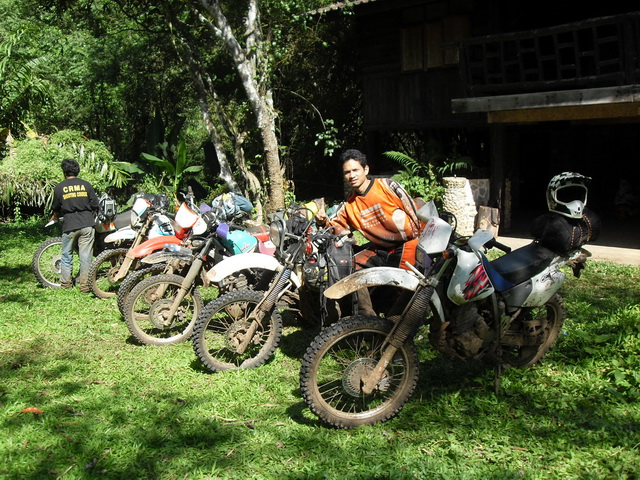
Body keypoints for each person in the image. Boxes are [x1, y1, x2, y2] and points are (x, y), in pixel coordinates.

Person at [315, 148, 424, 314]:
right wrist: (322, 221)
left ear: (366, 170)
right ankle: (367, 318)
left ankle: (399, 321)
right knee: (351, 267)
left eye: (355, 170)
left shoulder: (387, 186)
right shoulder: (348, 205)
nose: (352, 175)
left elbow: (413, 212)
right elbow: (336, 229)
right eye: (347, 172)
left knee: (404, 287)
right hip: (380, 249)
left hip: (408, 243)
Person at [50, 158, 99, 292]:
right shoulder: (86, 185)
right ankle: (85, 286)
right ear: (77, 171)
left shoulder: (60, 187)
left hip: (69, 225)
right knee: (85, 256)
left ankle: (66, 284)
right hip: (87, 224)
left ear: (64, 172)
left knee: (67, 255)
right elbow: (95, 204)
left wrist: (55, 215)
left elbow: (55, 207)